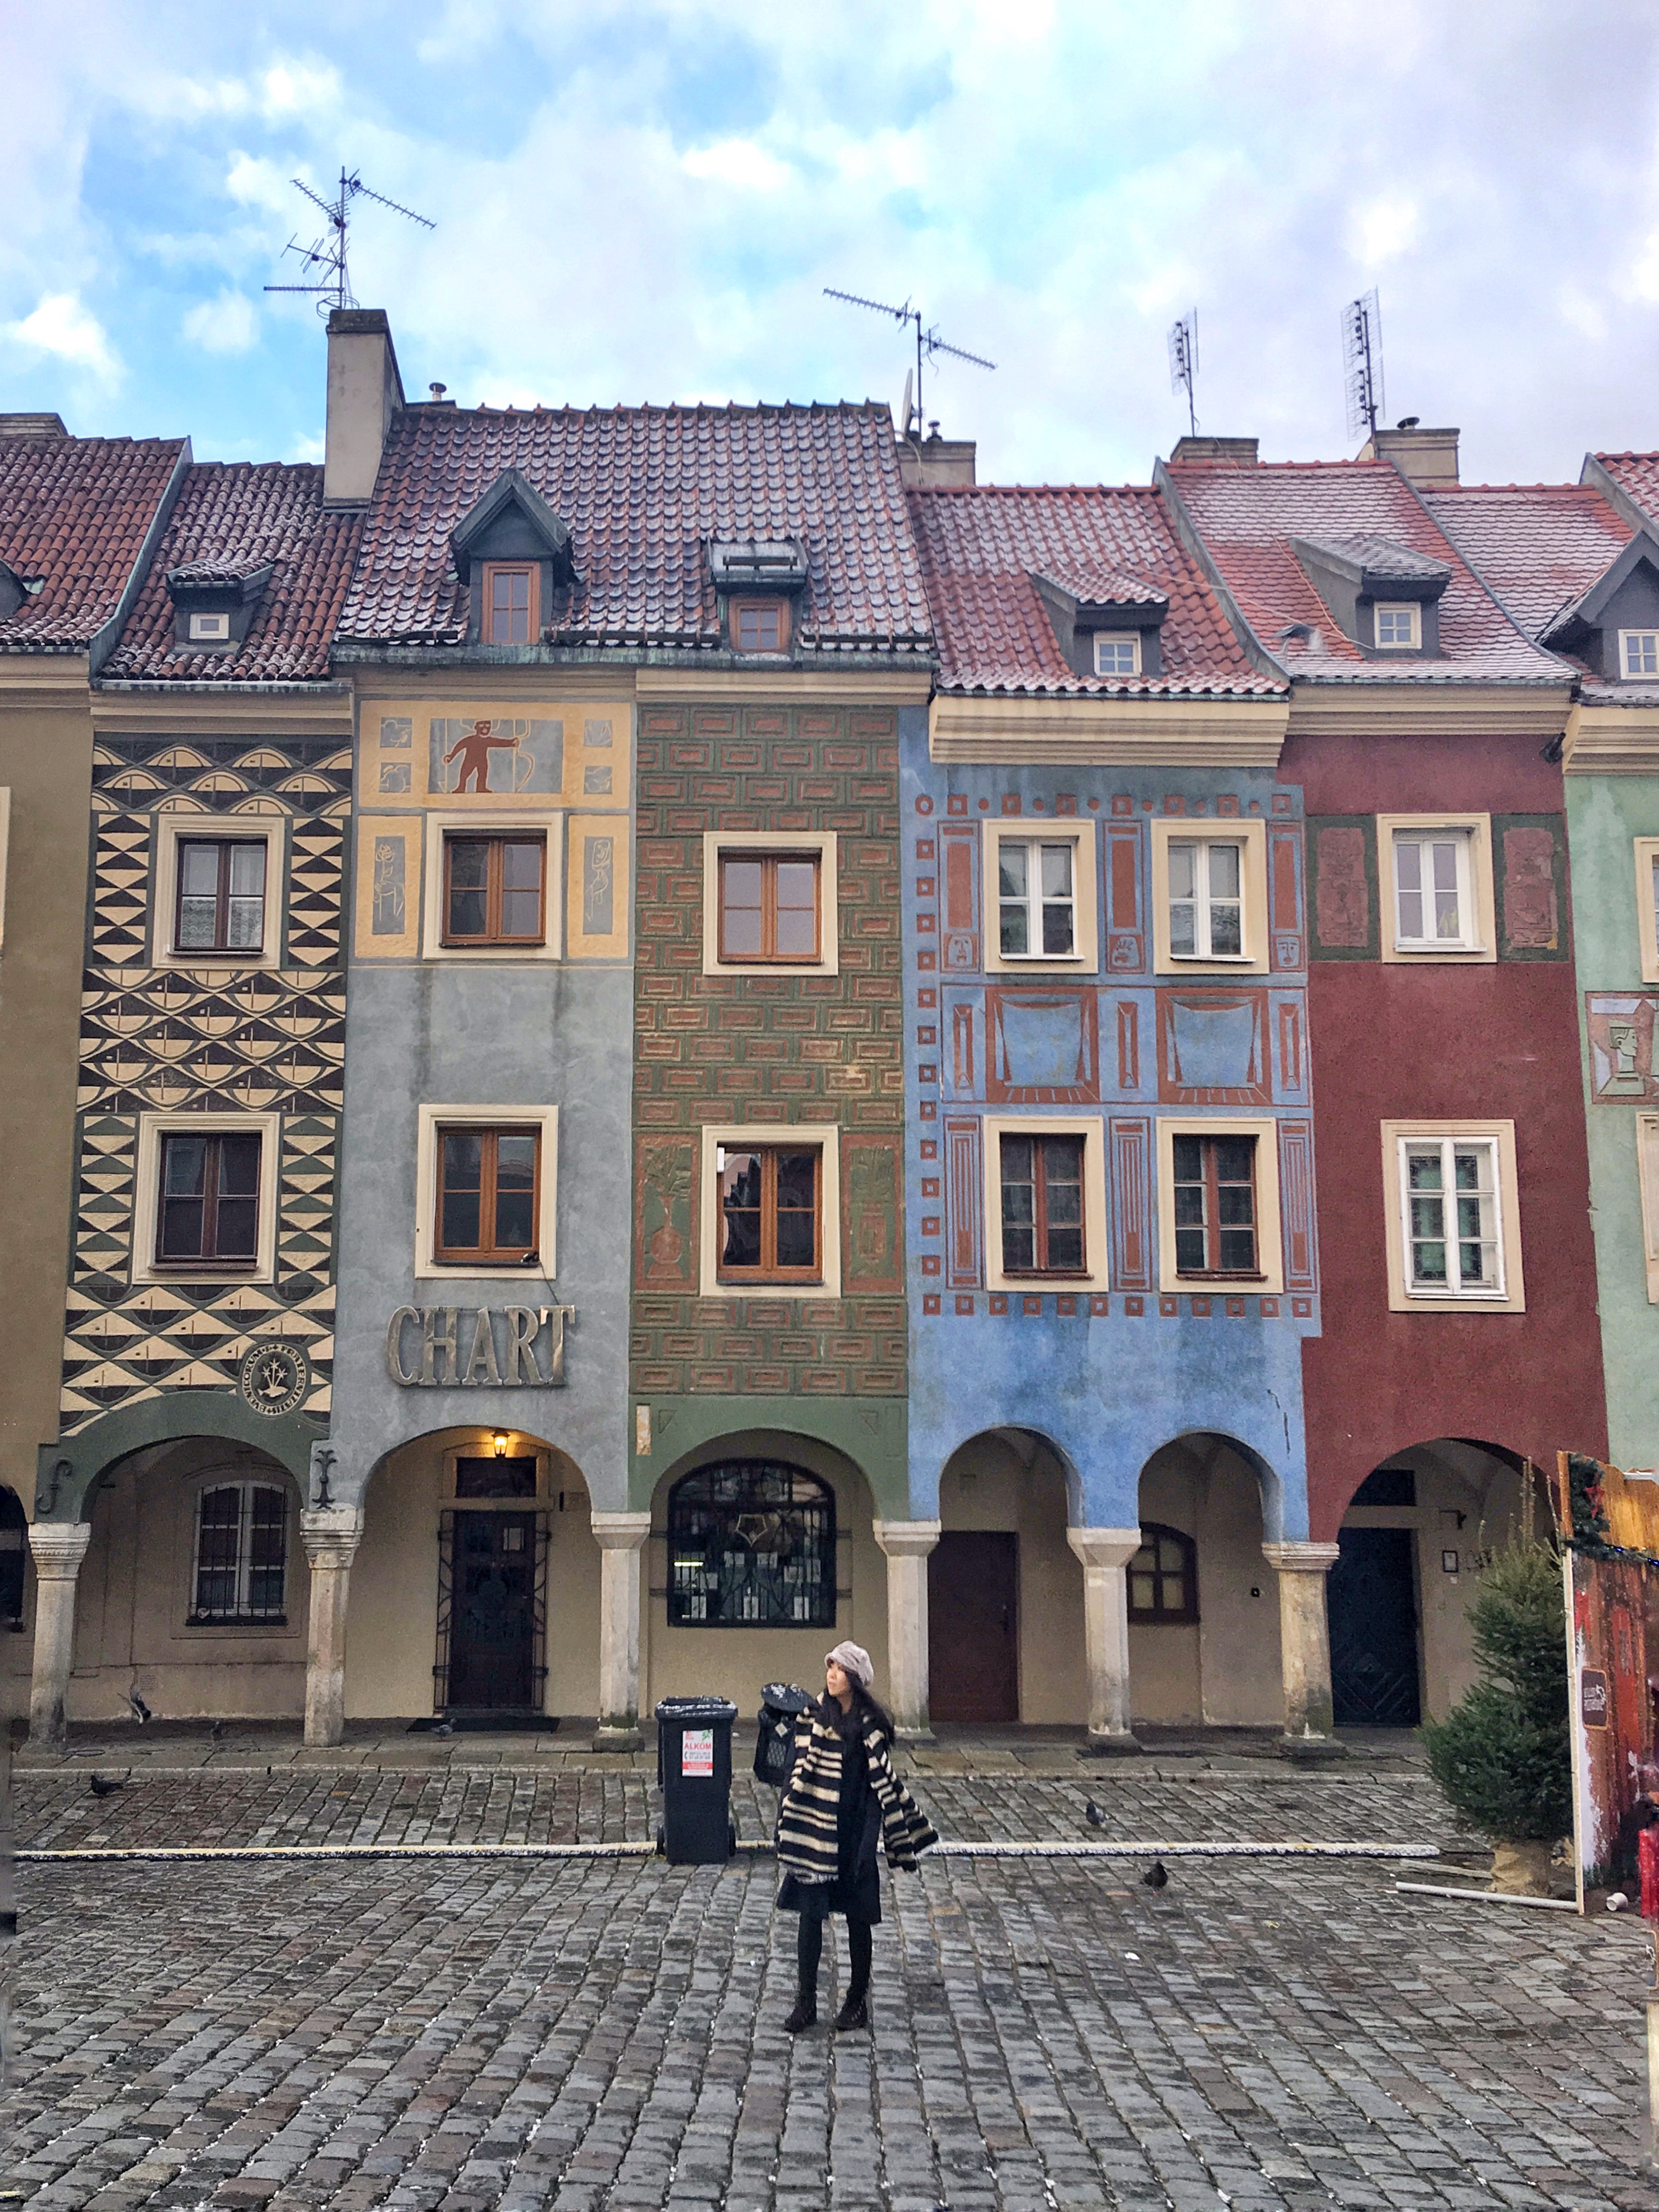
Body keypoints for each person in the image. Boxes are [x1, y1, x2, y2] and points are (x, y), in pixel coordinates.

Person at [774, 1639, 938, 2034]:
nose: (832, 1675)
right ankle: (806, 2002)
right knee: (810, 1918)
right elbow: (794, 1772)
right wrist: (788, 1817)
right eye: (830, 1667)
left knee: (858, 1920)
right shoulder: (813, 1717)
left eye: (840, 1670)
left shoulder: (870, 1727)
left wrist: (867, 1845)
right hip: (816, 1832)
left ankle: (855, 2002)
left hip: (852, 1831)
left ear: (856, 1679)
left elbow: (878, 1789)